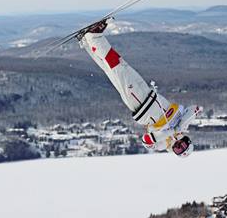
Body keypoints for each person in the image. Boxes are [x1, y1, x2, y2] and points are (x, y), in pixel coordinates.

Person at [78, 20, 201, 158]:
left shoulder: (163, 144)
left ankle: (94, 37)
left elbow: (146, 141)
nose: (178, 144)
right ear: (187, 139)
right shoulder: (182, 122)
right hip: (148, 94)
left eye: (179, 149)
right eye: (183, 144)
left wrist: (168, 133)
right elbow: (195, 109)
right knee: (115, 68)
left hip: (141, 104)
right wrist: (179, 126)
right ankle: (87, 42)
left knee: (118, 68)